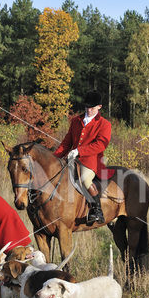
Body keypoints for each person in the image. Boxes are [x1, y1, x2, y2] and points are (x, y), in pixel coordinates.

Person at [54, 90, 112, 226]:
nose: (89, 110)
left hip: (91, 161)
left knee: (85, 179)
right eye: (87, 107)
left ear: (99, 107)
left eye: (92, 108)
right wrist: (54, 158)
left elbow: (100, 145)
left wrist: (79, 151)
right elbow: (66, 143)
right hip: (72, 160)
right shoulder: (76, 121)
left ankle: (97, 210)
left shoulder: (104, 124)